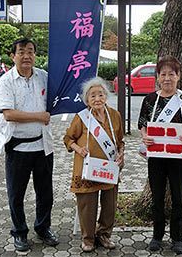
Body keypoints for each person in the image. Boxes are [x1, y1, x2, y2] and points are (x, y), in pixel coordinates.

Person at [0, 38, 59, 252]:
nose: (26, 56)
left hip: (43, 147)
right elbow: (9, 114)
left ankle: (43, 228)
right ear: (13, 56)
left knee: (45, 193)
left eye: (30, 51)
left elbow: (59, 97)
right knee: (16, 194)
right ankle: (20, 233)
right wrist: (40, 116)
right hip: (17, 148)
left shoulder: (44, 77)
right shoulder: (6, 81)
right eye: (21, 52)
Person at [138, 55, 182, 254]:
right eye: (163, 74)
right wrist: (145, 138)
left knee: (179, 198)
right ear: (157, 77)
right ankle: (157, 235)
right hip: (156, 156)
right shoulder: (150, 99)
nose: (167, 78)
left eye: (171, 74)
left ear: (179, 76)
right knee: (157, 197)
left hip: (179, 157)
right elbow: (143, 126)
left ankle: (177, 238)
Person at [63, 77, 125, 252]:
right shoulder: (82, 118)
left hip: (108, 169)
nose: (97, 99)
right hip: (87, 169)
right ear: (87, 100)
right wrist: (78, 148)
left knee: (109, 206)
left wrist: (120, 154)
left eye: (100, 94)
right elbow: (68, 138)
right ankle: (88, 239)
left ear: (106, 96)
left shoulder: (115, 115)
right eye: (92, 96)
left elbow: (120, 141)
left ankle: (104, 235)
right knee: (87, 206)